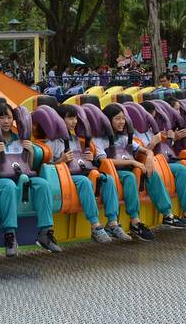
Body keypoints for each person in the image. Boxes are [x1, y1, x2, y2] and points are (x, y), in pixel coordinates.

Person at [0, 102, 62, 257]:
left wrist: (30, 152)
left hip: (23, 178)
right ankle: (10, 235)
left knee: (43, 184)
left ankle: (45, 232)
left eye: (9, 117)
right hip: (0, 179)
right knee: (9, 186)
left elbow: (29, 167)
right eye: (1, 117)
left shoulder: (19, 139)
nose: (6, 121)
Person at [95, 104, 180, 242]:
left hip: (130, 170)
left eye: (123, 118)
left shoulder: (124, 138)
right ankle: (135, 221)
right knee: (130, 176)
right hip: (114, 172)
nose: (121, 122)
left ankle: (168, 215)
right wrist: (133, 162)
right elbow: (103, 161)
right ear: (108, 120)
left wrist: (149, 159)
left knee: (150, 172)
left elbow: (146, 151)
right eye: (117, 119)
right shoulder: (99, 140)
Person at [47, 105, 130, 243]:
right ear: (60, 120)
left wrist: (89, 159)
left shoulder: (76, 140)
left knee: (107, 179)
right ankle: (95, 226)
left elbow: (81, 161)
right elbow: (46, 168)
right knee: (85, 181)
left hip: (81, 172)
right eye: (70, 118)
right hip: (65, 178)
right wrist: (61, 161)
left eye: (75, 118)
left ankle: (112, 223)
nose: (74, 122)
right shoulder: (52, 142)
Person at [136, 101, 186, 225]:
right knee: (153, 173)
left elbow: (165, 147)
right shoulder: (133, 132)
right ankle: (167, 215)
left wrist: (171, 138)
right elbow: (137, 154)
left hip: (161, 161)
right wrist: (152, 144)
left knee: (182, 169)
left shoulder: (152, 130)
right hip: (146, 164)